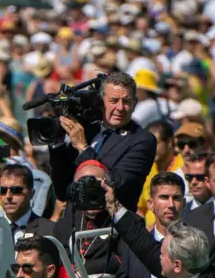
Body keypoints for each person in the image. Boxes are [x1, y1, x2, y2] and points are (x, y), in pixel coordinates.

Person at [48, 70, 157, 211]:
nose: (120, 108)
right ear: (100, 102)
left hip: (111, 226)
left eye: (126, 102)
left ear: (135, 103)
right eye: (113, 101)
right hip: (74, 224)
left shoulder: (142, 140)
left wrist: (83, 148)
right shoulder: (88, 130)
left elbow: (117, 183)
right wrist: (58, 144)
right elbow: (63, 190)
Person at [0, 164, 54, 244]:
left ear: (31, 193)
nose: (8, 196)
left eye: (16, 190)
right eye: (3, 190)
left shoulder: (50, 230)